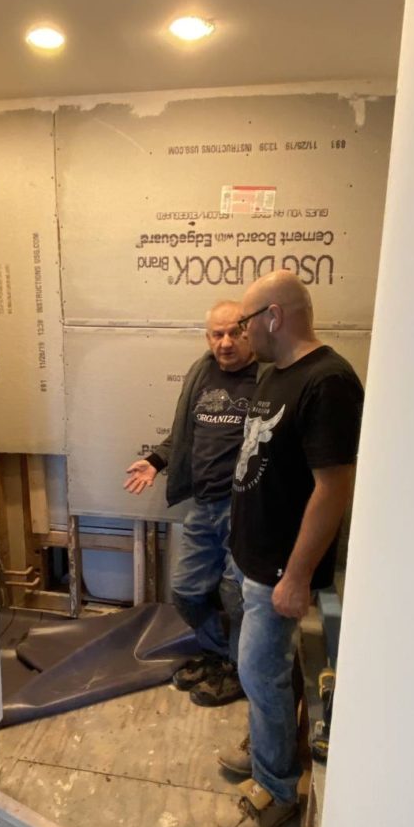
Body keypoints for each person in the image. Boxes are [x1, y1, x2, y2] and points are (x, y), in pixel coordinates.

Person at [215, 271, 364, 827]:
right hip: (251, 558)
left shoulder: (329, 382)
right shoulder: (276, 374)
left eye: (246, 323)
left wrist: (297, 576)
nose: (241, 335)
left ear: (273, 317)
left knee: (261, 672)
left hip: (280, 568)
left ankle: (275, 789)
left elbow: (333, 488)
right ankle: (268, 741)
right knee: (265, 674)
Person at [123, 301, 258, 706]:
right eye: (217, 334)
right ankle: (217, 655)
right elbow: (183, 435)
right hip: (204, 504)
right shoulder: (202, 371)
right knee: (185, 590)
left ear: (249, 332)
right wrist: (155, 460)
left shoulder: (267, 376)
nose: (225, 342)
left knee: (236, 596)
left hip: (245, 509)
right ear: (208, 337)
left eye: (234, 332)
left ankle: (238, 669)